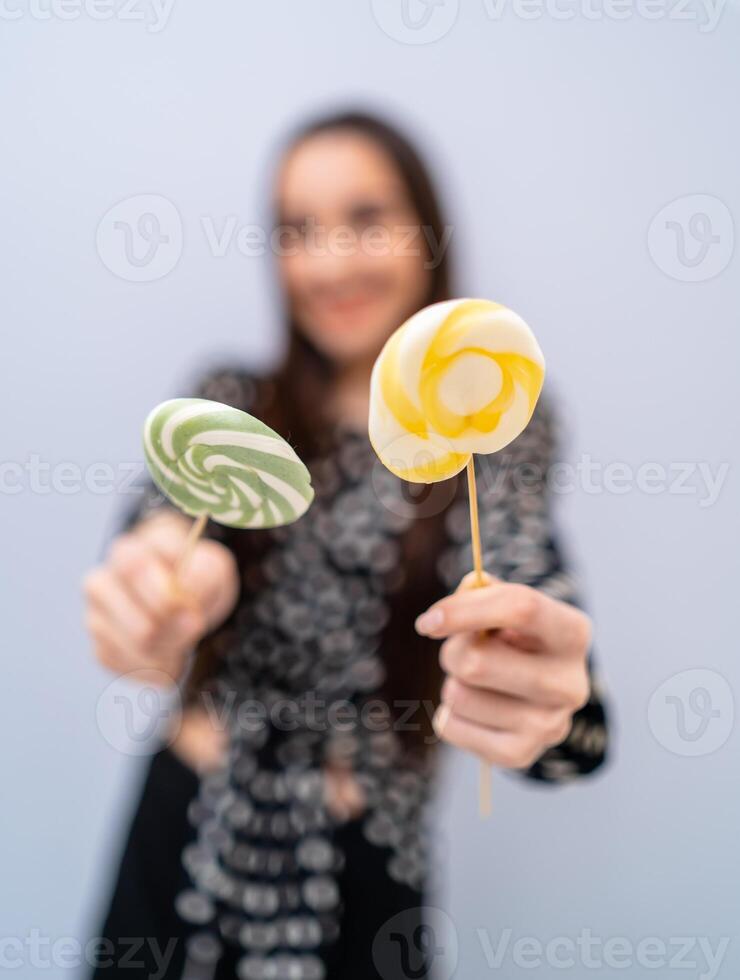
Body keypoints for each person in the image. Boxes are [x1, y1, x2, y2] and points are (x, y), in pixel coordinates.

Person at [83, 110, 608, 980]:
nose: (330, 262)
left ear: (426, 230)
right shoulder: (234, 400)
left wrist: (553, 689)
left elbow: (527, 582)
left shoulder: (493, 434)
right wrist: (166, 581)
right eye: (298, 229)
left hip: (363, 887)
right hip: (181, 843)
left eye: (366, 219)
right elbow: (167, 519)